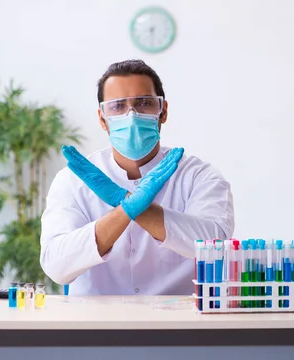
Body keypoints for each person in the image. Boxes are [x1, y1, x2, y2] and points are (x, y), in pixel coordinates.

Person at [40, 59, 234, 296]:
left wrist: (132, 206)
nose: (131, 115)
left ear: (163, 111)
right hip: (96, 326)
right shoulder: (73, 180)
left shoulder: (198, 177)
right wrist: (127, 208)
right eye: (118, 106)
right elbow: (56, 266)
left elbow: (216, 247)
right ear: (102, 119)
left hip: (178, 325)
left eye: (144, 103)